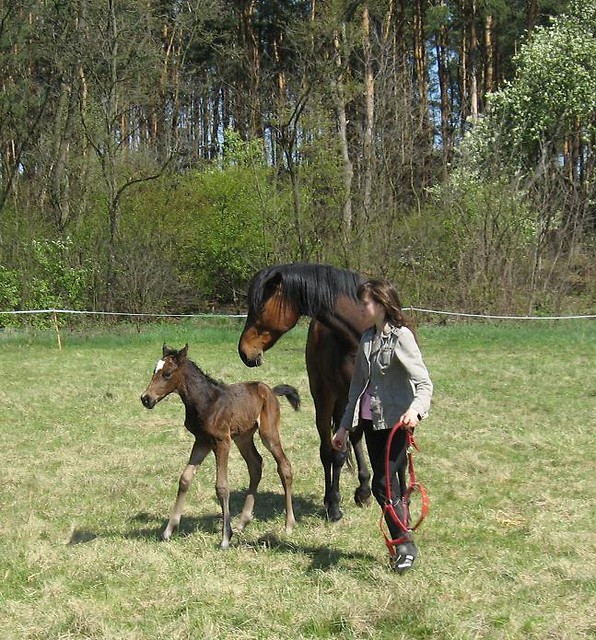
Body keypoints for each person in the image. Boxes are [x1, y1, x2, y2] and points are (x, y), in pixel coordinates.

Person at [332, 279, 433, 574]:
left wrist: (415, 411)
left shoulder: (402, 338)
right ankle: (402, 537)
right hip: (371, 421)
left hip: (397, 423)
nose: (362, 307)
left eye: (366, 302)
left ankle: (404, 545)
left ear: (381, 304)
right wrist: (343, 428)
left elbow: (424, 384)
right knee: (391, 486)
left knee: (381, 485)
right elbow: (356, 388)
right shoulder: (366, 339)